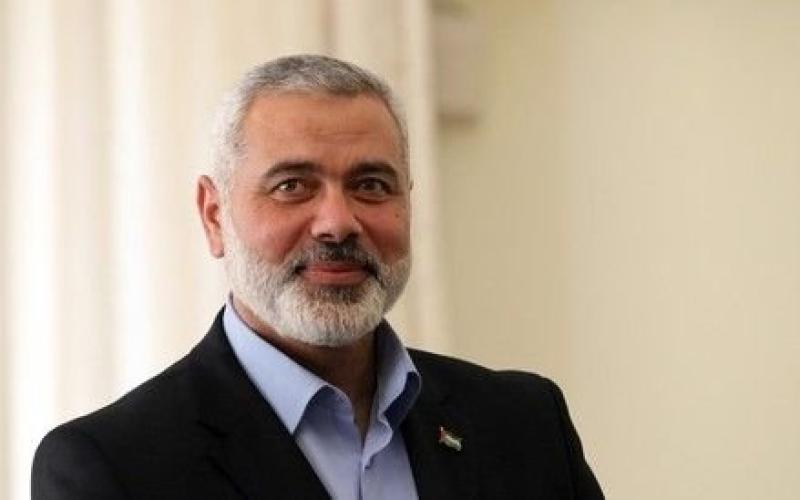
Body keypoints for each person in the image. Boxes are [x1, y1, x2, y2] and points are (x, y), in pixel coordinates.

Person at [31, 54, 603, 499]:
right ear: (214, 216)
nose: (337, 223)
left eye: (371, 185)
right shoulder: (113, 467)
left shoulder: (525, 425)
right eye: (292, 186)